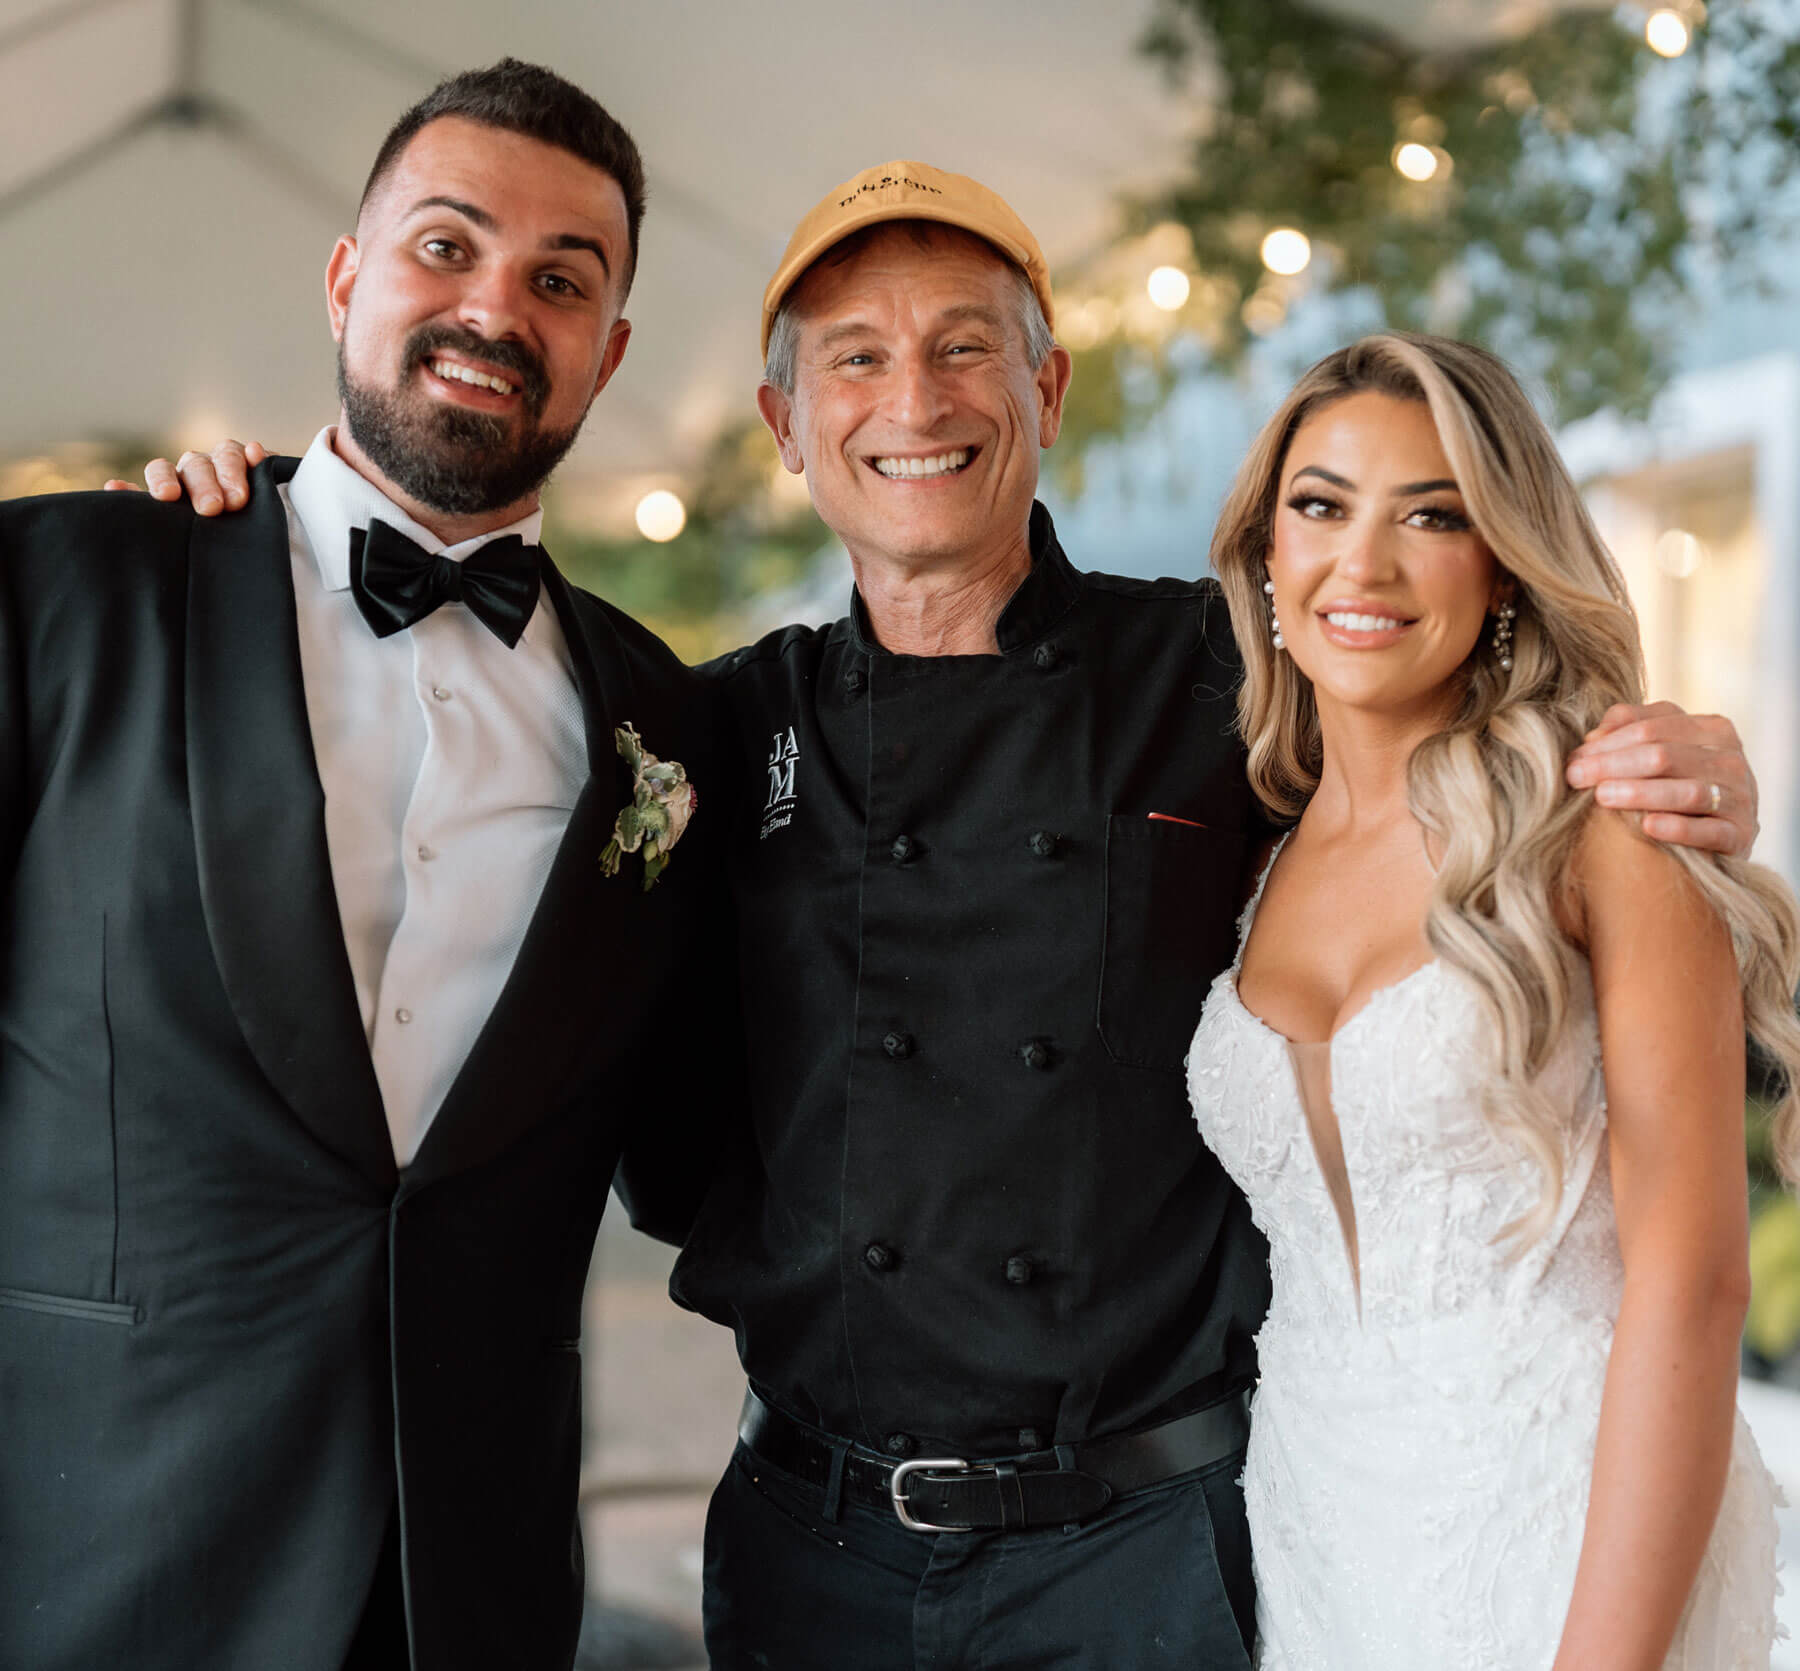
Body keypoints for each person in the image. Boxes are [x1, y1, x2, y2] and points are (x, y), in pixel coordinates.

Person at [143, 163, 1759, 1669]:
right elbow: (432, 787)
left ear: (1044, 393)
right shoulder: (702, 731)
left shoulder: (1224, 678)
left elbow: (1451, 731)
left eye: (965, 349)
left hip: (1141, 1546)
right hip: (813, 1543)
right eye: (854, 360)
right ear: (786, 423)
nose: (913, 403)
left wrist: (1683, 764)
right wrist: (245, 535)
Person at [0, 60, 729, 1671]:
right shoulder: (67, 592)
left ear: (609, 351)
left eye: (561, 282)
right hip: (89, 1557)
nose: (495, 309)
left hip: (466, 1588)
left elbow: (695, 1153)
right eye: (446, 246)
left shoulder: (671, 725)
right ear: (346, 277)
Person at [1186, 331, 1798, 1668]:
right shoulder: (1253, 841)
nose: (1365, 563)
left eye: (1433, 515)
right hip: (1317, 1532)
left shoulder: (1609, 825)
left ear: (1505, 564)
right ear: (1268, 550)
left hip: (1565, 1523)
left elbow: (1694, 1286)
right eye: (1322, 506)